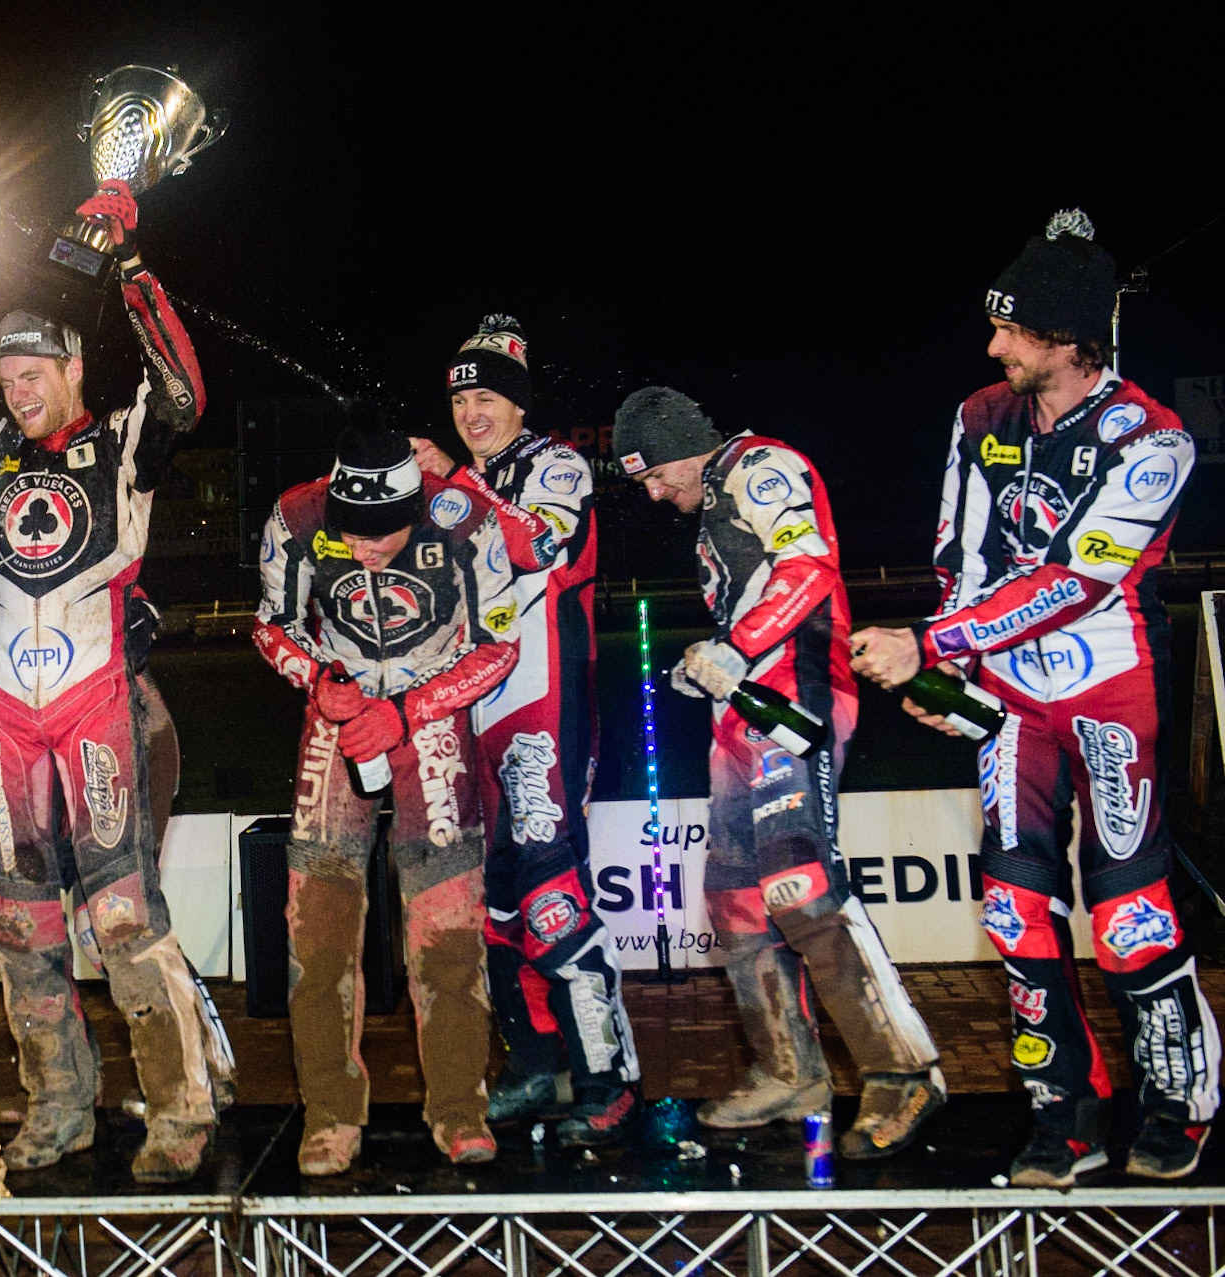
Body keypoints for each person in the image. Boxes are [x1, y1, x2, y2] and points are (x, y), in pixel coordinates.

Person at [850, 209, 1219, 1185]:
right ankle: (1065, 1112)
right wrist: (952, 672)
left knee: (1132, 909)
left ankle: (1182, 1100)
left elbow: (1075, 580)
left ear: (1066, 340)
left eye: (1011, 329)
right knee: (1015, 907)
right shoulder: (981, 417)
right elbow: (960, 557)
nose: (993, 344)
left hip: (1108, 686)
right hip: (1009, 695)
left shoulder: (1154, 437)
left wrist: (931, 643)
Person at [0, 181, 222, 1183]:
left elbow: (184, 397)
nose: (20, 383)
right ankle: (60, 1102)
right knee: (19, 922)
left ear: (74, 365)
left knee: (123, 914)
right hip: (5, 720)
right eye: (8, 370)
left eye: (36, 366)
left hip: (95, 707)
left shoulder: (124, 438)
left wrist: (130, 271)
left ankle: (179, 1105)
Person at [615, 385, 945, 1161]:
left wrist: (739, 645)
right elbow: (756, 596)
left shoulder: (763, 464)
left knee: (802, 887)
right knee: (731, 897)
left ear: (684, 444)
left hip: (796, 699)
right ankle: (789, 1069)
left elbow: (808, 560)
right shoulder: (715, 498)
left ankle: (905, 1070)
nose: (658, 495)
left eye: (658, 475)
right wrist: (712, 663)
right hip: (742, 713)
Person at [254, 426, 520, 1175]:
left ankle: (460, 1106)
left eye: (386, 536)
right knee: (318, 929)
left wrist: (410, 708)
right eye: (355, 535)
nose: (369, 550)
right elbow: (270, 623)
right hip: (335, 722)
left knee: (447, 930)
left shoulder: (465, 519)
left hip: (430, 719)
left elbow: (501, 642)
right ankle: (331, 1113)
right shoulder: (297, 516)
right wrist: (317, 678)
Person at [410, 314, 639, 1146]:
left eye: (487, 396)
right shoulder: (451, 487)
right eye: (460, 397)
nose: (472, 411)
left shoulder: (556, 464)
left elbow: (538, 545)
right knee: (492, 901)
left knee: (549, 888)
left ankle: (607, 1076)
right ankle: (535, 1061)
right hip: (472, 716)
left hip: (545, 707)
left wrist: (454, 487)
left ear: (517, 403)